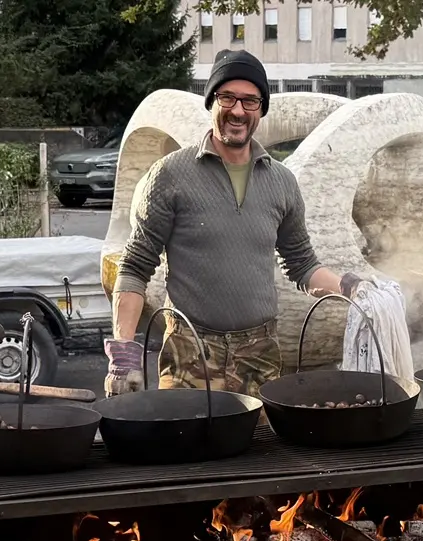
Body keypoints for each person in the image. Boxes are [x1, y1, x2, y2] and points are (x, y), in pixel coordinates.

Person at [106, 48, 371, 399]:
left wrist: (352, 287)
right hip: (190, 353)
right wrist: (124, 352)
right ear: (212, 102)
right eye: (227, 97)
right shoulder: (170, 175)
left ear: (261, 109)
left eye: (250, 101)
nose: (237, 111)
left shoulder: (282, 182)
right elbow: (135, 266)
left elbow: (302, 265)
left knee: (261, 450)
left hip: (259, 357)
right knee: (187, 446)